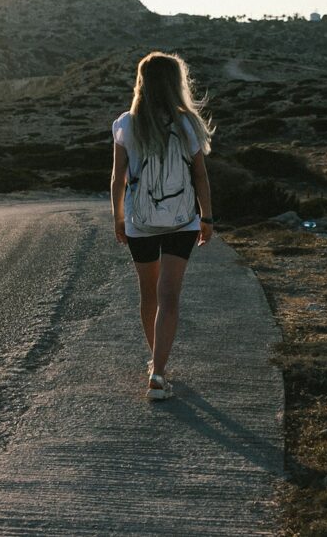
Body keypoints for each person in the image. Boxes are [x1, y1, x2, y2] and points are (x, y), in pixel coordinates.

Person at [110, 51, 214, 401]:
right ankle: (158, 371)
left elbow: (117, 178)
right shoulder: (188, 124)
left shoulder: (125, 124)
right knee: (169, 297)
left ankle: (155, 363)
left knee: (149, 294)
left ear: (141, 82)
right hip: (183, 221)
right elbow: (199, 175)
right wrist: (208, 217)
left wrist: (119, 218)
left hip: (140, 222)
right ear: (175, 84)